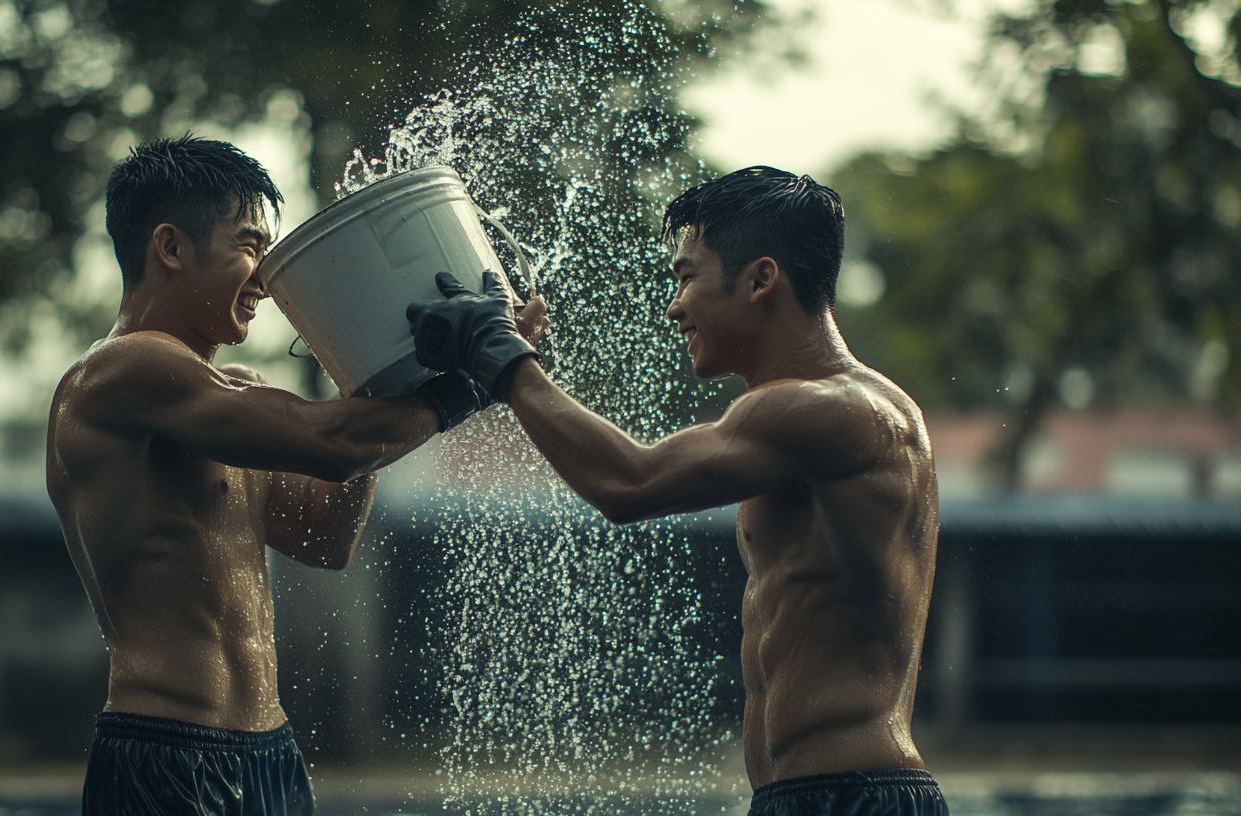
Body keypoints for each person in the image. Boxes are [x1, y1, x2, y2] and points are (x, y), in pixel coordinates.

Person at [407, 166, 948, 815]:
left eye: (687, 276)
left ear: (760, 279)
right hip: (821, 794)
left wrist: (501, 357)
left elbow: (629, 483)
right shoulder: (831, 412)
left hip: (846, 797)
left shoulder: (827, 409)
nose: (674, 306)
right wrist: (497, 363)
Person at [47, 135, 506, 815]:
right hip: (166, 749)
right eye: (249, 245)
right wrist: (478, 380)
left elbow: (325, 539)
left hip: (268, 751)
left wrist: (387, 382)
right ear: (171, 248)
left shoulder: (232, 392)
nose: (264, 276)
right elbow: (335, 445)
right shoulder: (121, 372)